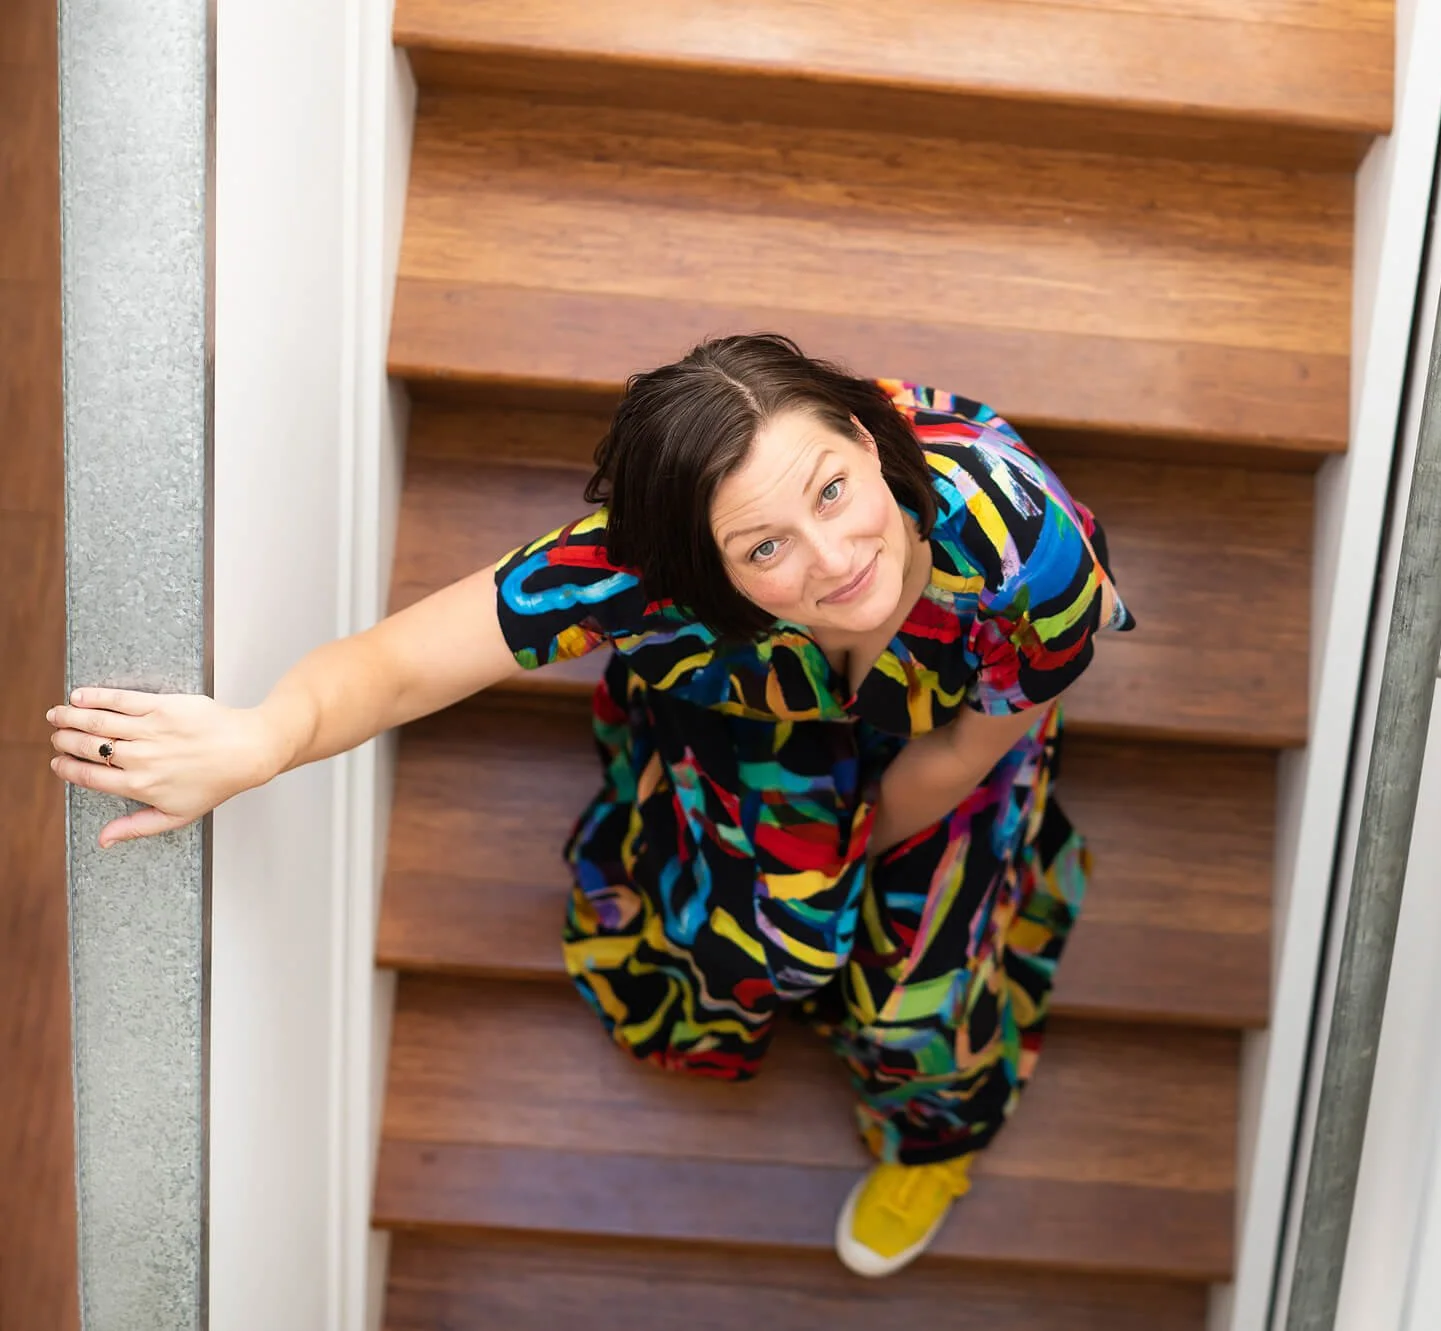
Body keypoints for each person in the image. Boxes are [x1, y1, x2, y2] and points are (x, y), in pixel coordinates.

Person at [45, 333, 1135, 1277]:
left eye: (833, 489)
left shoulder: (1021, 548)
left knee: (915, 995)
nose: (836, 560)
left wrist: (851, 879)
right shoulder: (633, 568)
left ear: (863, 438)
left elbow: (969, 746)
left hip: (950, 725)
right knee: (774, 939)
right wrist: (259, 739)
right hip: (754, 717)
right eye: (764, 547)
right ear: (697, 571)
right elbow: (404, 665)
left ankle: (934, 1141)